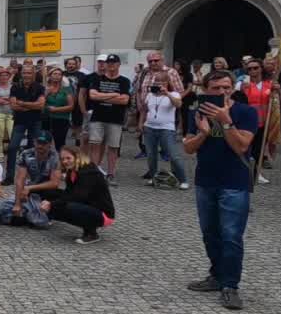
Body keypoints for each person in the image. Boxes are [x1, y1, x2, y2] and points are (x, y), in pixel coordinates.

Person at [182, 69, 257, 310]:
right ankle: (216, 275)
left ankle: (230, 286)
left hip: (234, 182)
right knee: (210, 233)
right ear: (206, 90)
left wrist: (226, 122)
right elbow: (189, 148)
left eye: (226, 87)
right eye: (216, 88)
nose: (222, 92)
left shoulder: (245, 112)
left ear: (233, 88)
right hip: (206, 180)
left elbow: (241, 146)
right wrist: (203, 133)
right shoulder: (197, 112)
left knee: (231, 236)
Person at [42, 146, 115, 244]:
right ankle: (48, 216)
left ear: (77, 157)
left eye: (68, 158)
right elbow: (68, 193)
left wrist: (52, 204)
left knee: (68, 206)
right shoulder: (72, 171)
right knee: (50, 193)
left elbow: (78, 197)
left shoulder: (88, 172)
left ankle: (91, 233)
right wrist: (51, 202)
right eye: (63, 159)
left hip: (103, 214)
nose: (65, 161)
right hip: (88, 205)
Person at [87, 54, 132, 186]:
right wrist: (113, 95)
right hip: (98, 118)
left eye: (114, 63)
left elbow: (124, 100)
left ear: (118, 65)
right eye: (109, 63)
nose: (111, 65)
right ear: (106, 65)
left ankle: (111, 174)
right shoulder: (97, 79)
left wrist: (101, 97)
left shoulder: (124, 81)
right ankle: (94, 173)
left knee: (113, 147)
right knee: (95, 145)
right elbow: (92, 96)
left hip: (115, 119)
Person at [141, 71, 190, 190]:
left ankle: (183, 179)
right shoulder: (150, 95)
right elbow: (145, 109)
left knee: (173, 155)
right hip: (150, 127)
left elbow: (178, 105)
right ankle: (153, 177)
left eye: (161, 82)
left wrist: (167, 93)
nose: (157, 84)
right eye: (156, 81)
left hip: (166, 129)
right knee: (151, 155)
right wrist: (140, 123)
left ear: (167, 82)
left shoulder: (174, 94)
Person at [10, 130, 62, 227]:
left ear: (50, 144)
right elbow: (20, 179)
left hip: (47, 192)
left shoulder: (55, 156)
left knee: (40, 222)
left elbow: (54, 183)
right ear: (34, 142)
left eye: (44, 143)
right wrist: (17, 204)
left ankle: (38, 214)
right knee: (3, 208)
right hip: (29, 191)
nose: (40, 146)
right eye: (38, 142)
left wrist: (30, 188)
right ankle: (27, 212)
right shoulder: (25, 154)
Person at [240, 58, 277, 185]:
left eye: (255, 68)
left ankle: (256, 173)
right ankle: (243, 172)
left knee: (258, 149)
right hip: (247, 122)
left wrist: (276, 92)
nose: (252, 71)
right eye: (249, 69)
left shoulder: (269, 84)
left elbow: (277, 103)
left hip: (263, 122)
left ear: (261, 68)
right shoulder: (244, 85)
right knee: (245, 148)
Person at [6, 65, 45, 176]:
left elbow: (41, 105)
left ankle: (35, 175)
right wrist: (33, 106)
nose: (26, 75)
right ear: (21, 74)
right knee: (12, 147)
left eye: (29, 73)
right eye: (24, 73)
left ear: (33, 74)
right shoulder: (15, 87)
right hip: (20, 121)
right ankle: (9, 176)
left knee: (36, 148)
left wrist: (22, 103)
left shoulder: (40, 87)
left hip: (35, 121)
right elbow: (13, 106)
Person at [42, 68, 74, 147]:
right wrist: (46, 93)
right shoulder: (45, 88)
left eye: (59, 74)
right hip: (47, 119)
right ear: (50, 76)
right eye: (55, 74)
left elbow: (71, 106)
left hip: (62, 119)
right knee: (45, 142)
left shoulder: (67, 89)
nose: (57, 76)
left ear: (62, 77)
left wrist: (55, 109)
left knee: (59, 143)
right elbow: (40, 104)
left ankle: (60, 158)